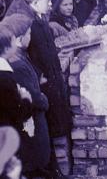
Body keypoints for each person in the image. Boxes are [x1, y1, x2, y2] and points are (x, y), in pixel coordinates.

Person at [6, 0, 71, 178]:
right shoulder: (24, 22)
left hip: (49, 82)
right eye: (47, 0)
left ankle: (56, 167)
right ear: (34, 1)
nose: (51, 4)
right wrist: (40, 76)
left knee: (54, 131)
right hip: (41, 88)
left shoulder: (38, 16)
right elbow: (27, 56)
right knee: (47, 133)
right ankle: (52, 169)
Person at [1, 14, 51, 178]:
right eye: (29, 33)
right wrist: (41, 100)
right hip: (30, 127)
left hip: (26, 128)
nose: (31, 37)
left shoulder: (18, 58)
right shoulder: (15, 65)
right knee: (34, 160)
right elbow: (27, 100)